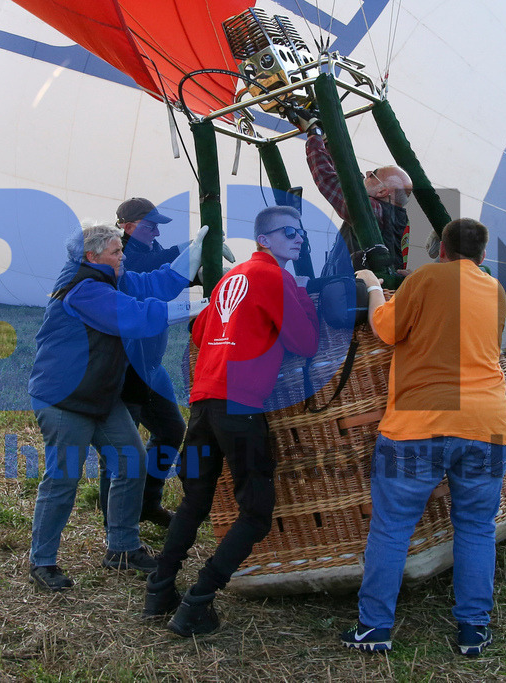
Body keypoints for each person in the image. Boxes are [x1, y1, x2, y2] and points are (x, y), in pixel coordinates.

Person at [342, 218, 506, 656]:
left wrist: (372, 285)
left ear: (440, 250)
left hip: (420, 423)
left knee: (392, 526)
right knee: (476, 527)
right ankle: (473, 630)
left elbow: (386, 328)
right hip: (489, 422)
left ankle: (375, 628)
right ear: (481, 256)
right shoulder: (494, 289)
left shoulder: (425, 277)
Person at [144, 205, 319, 637]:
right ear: (265, 240)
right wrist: (298, 294)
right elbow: (307, 341)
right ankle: (198, 601)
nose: (299, 238)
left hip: (203, 403)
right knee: (257, 513)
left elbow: (200, 331)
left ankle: (159, 589)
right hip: (240, 405)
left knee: (194, 502)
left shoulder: (230, 277)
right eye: (289, 232)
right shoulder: (275, 278)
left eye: (301, 232)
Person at [26, 222, 207, 590]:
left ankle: (121, 548)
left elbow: (148, 285)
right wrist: (191, 308)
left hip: (99, 394)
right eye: (116, 252)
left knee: (131, 461)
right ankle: (42, 561)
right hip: (64, 398)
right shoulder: (84, 290)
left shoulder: (107, 276)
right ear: (93, 256)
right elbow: (135, 316)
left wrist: (190, 256)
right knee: (63, 479)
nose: (123, 257)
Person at [96, 198, 185, 529]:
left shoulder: (151, 247)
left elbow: (164, 276)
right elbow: (151, 270)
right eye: (151, 225)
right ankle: (114, 524)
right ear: (128, 227)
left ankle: (147, 502)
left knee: (171, 428)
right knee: (122, 449)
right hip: (128, 368)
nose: (157, 231)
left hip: (151, 364)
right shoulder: (120, 257)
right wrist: (185, 252)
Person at [298, 122, 413, 276]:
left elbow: (329, 181)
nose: (366, 173)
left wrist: (314, 134)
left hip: (355, 294)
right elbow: (351, 178)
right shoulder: (393, 215)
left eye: (373, 174)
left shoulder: (374, 210)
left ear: (382, 191)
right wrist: (327, 141)